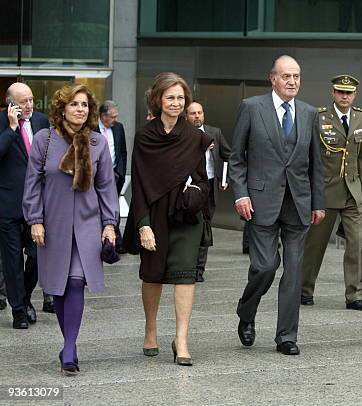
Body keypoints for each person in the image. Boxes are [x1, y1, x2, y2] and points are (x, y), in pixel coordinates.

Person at [229, 55, 325, 356]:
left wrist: (318, 202)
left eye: (296, 76)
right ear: (273, 79)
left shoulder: (310, 113)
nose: (292, 82)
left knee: (294, 272)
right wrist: (241, 194)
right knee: (265, 266)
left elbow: (316, 164)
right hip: (260, 202)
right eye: (286, 76)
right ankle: (247, 311)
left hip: (298, 203)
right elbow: (236, 158)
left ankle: (286, 336)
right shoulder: (252, 107)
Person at [22, 83, 118, 375]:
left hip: (88, 224)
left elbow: (106, 187)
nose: (80, 109)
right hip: (53, 224)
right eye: (74, 104)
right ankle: (69, 344)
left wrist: (110, 224)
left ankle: (69, 349)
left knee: (76, 281)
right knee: (59, 288)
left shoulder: (97, 142)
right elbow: (33, 183)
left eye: (85, 105)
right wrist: (35, 219)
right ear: (62, 108)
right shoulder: (44, 140)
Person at [124, 72, 211, 366]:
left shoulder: (196, 137)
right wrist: (143, 224)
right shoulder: (144, 137)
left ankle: (182, 340)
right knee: (153, 275)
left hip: (187, 215)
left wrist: (196, 191)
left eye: (180, 98)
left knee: (185, 275)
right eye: (170, 97)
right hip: (155, 214)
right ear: (158, 100)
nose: (176, 103)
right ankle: (150, 329)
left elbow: (203, 179)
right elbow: (139, 184)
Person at [301, 74, 362, 310]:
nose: (344, 96)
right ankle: (305, 288)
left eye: (348, 93)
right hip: (326, 190)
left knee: (355, 244)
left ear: (354, 95)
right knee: (315, 244)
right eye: (340, 92)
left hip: (353, 190)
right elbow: (311, 158)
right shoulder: (319, 117)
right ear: (333, 93)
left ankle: (354, 295)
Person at [0, 82, 51, 329]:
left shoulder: (41, 121)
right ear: (10, 103)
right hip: (8, 205)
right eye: (23, 102)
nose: (28, 105)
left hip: (37, 205)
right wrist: (11, 129)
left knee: (37, 255)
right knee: (11, 261)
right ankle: (19, 311)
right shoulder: (2, 124)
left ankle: (26, 297)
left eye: (31, 100)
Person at [186, 101, 231, 281]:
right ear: (186, 116)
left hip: (210, 185)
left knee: (205, 228)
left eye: (199, 113)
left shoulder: (214, 133)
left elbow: (228, 155)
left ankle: (198, 270)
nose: (197, 116)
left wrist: (224, 177)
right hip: (188, 187)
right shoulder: (182, 133)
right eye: (193, 113)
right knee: (189, 227)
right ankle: (186, 265)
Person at [98, 100, 128, 253]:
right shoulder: (92, 129)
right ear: (103, 116)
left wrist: (121, 172)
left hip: (115, 175)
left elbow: (123, 151)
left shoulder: (118, 128)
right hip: (97, 178)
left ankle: (116, 241)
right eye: (112, 117)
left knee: (112, 208)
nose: (115, 120)